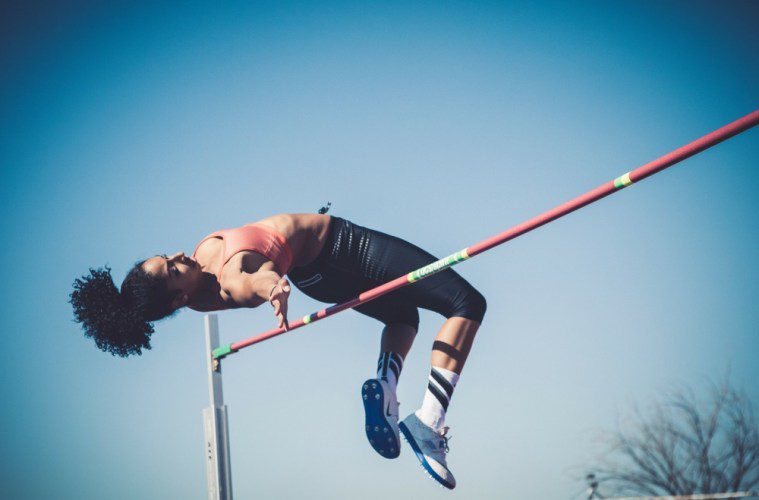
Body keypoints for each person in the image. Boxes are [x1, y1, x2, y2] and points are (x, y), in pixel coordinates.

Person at [70, 211, 486, 489]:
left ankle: (387, 387)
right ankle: (427, 422)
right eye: (174, 268)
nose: (179, 255)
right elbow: (253, 279)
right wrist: (274, 288)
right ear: (179, 299)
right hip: (346, 247)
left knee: (403, 317)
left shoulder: (193, 295)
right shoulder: (231, 278)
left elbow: (251, 274)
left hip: (316, 278)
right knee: (467, 304)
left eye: (167, 256)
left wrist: (278, 281)